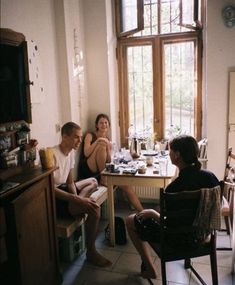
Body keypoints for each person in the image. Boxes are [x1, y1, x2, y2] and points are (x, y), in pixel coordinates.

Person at [126, 135, 220, 280]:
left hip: (179, 241)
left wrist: (152, 213)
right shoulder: (211, 178)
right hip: (203, 236)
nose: (169, 153)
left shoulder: (173, 189)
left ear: (177, 155)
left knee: (131, 219)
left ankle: (150, 268)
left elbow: (168, 225)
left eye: (170, 151)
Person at [53, 122, 112, 267]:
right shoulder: (52, 154)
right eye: (76, 137)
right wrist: (76, 199)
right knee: (94, 209)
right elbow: (49, 189)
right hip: (56, 197)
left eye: (80, 137)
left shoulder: (70, 153)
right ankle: (91, 252)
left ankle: (80, 203)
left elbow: (70, 182)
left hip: (66, 190)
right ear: (65, 136)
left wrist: (78, 199)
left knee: (93, 181)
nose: (80, 140)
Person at [78, 113, 143, 212]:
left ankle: (142, 212)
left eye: (106, 123)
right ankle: (104, 179)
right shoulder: (90, 135)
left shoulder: (107, 139)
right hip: (88, 169)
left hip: (101, 170)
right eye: (101, 123)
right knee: (101, 145)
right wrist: (99, 140)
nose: (104, 125)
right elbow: (86, 153)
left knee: (126, 185)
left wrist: (108, 148)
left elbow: (108, 160)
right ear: (96, 125)